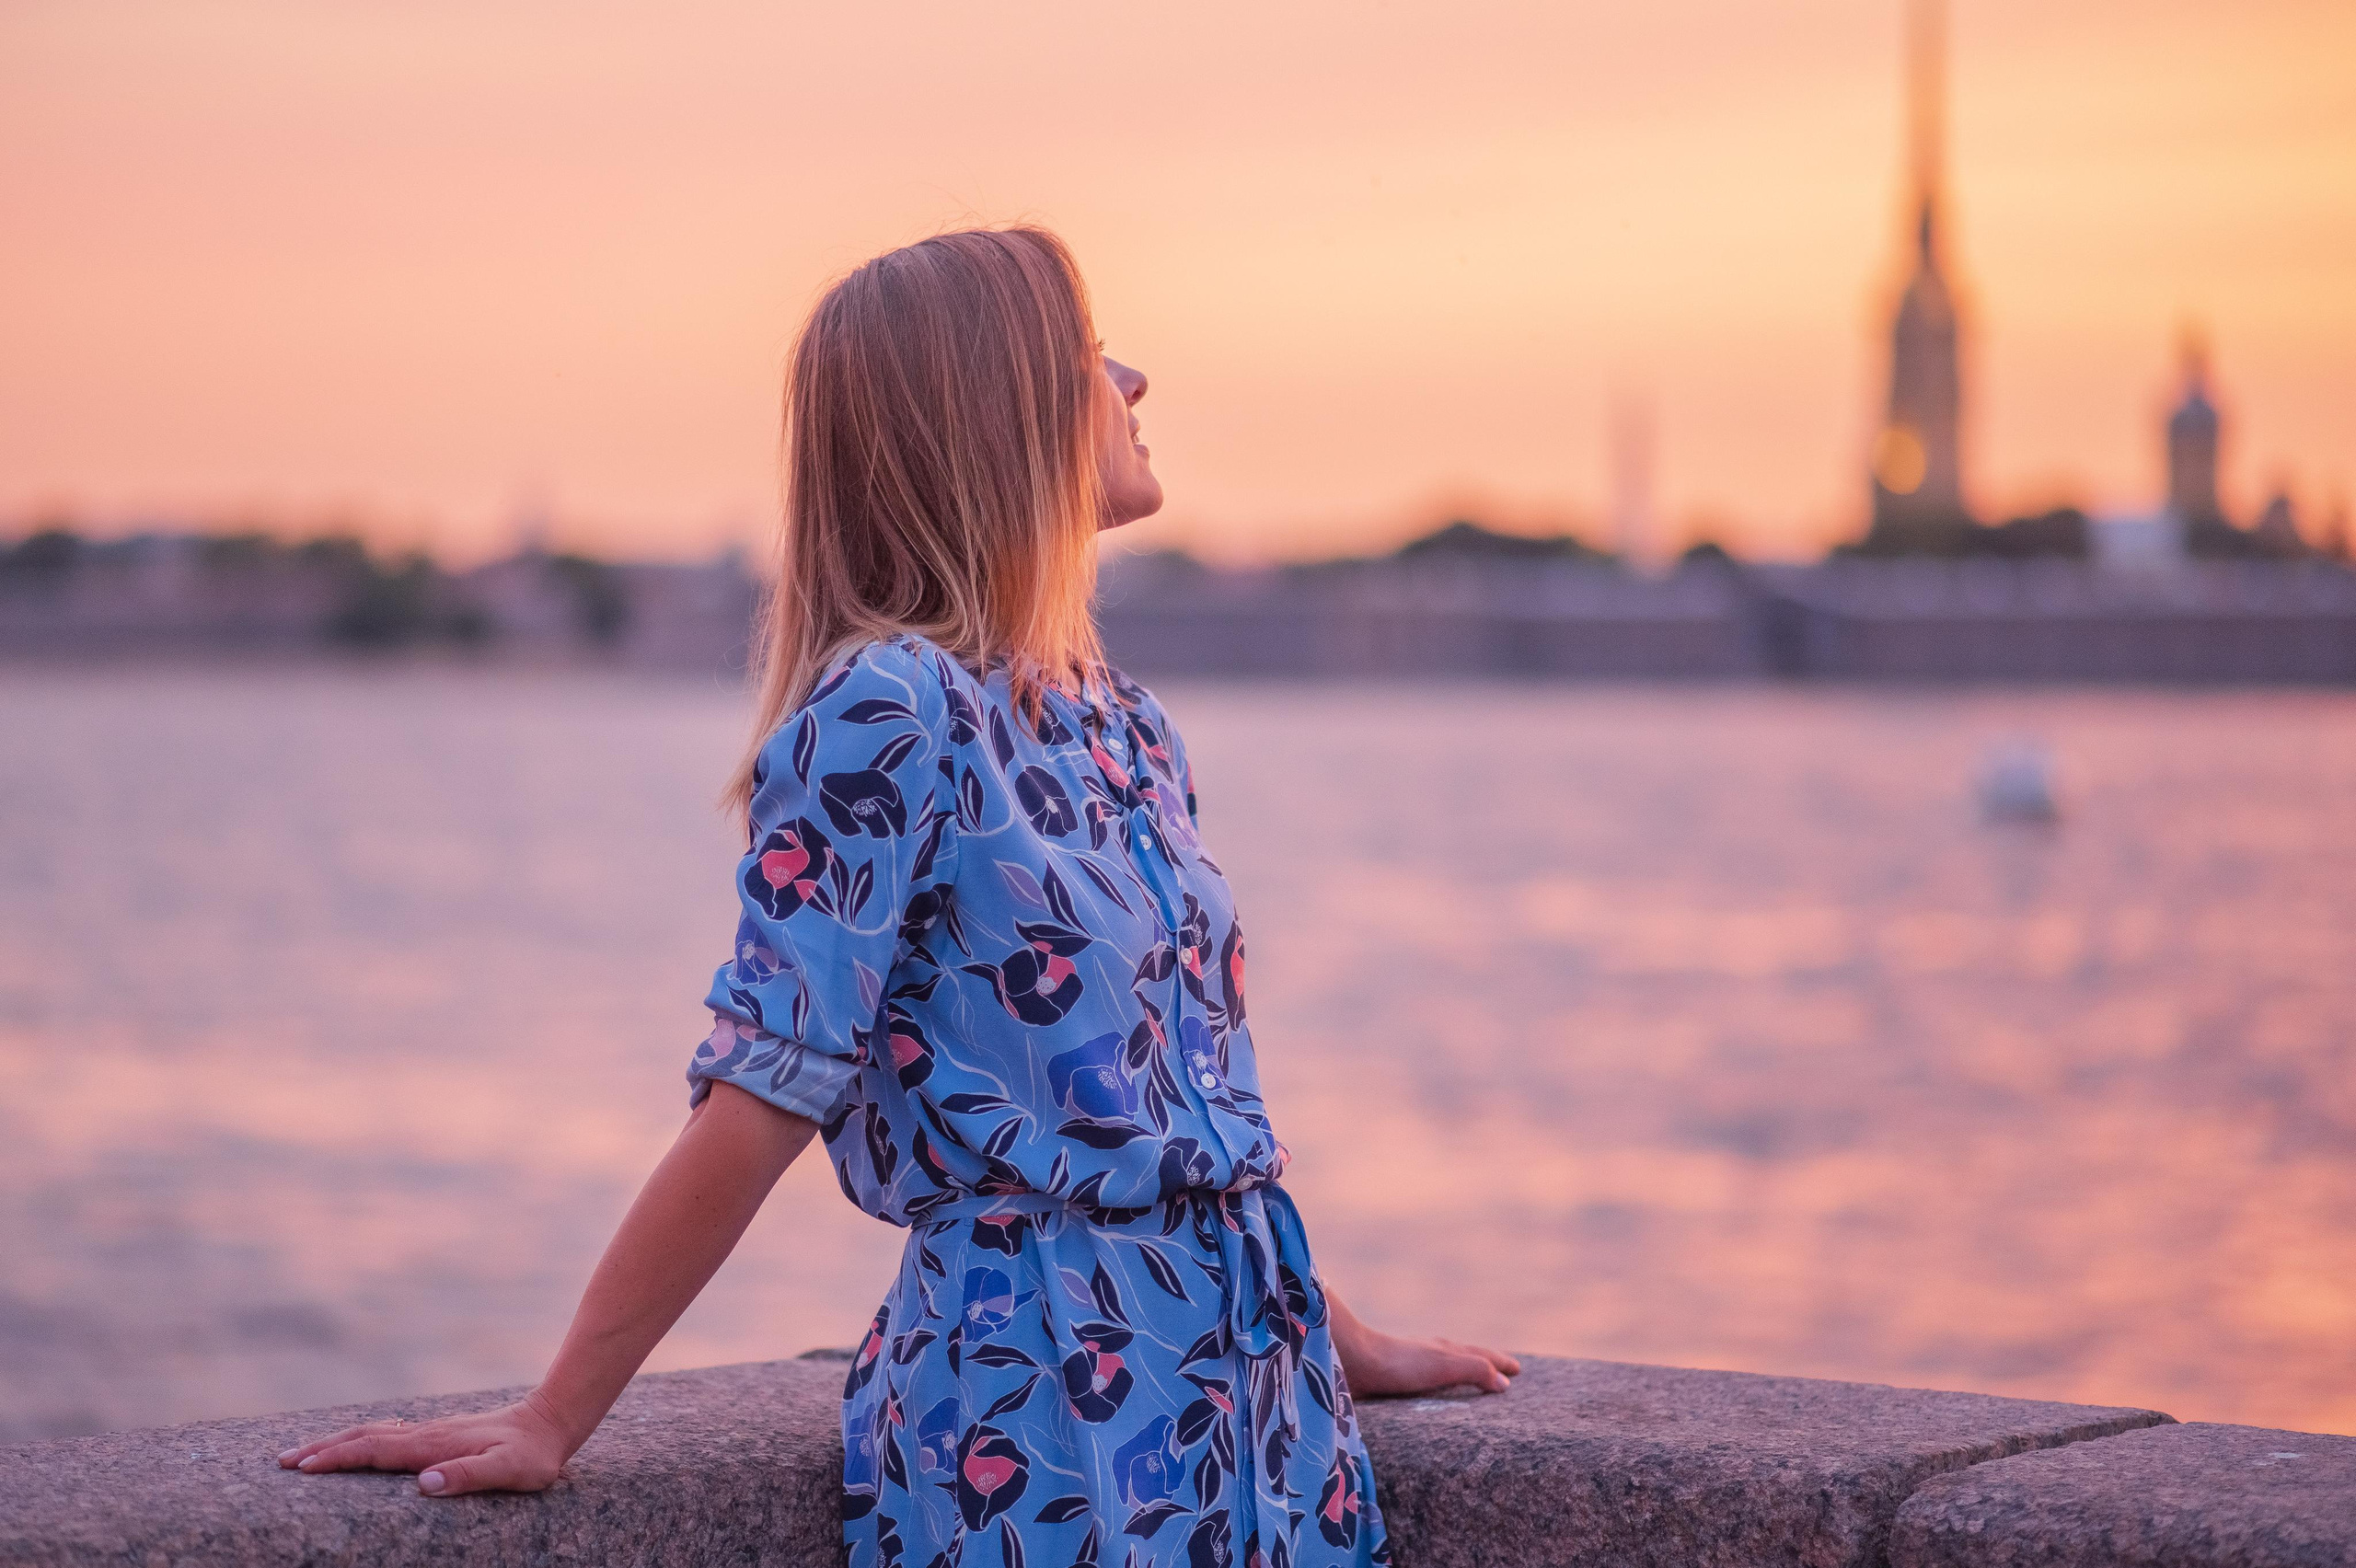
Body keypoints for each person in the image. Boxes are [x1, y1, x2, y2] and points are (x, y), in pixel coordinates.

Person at [281, 225, 1518, 1567]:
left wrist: (1341, 1335)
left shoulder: (1122, 724)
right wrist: (553, 1417)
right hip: (1044, 1410)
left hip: (1261, 1404)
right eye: (1096, 355)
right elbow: (763, 1090)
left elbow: (1166, 1126)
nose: (1138, 381)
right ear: (1004, 410)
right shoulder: (888, 712)